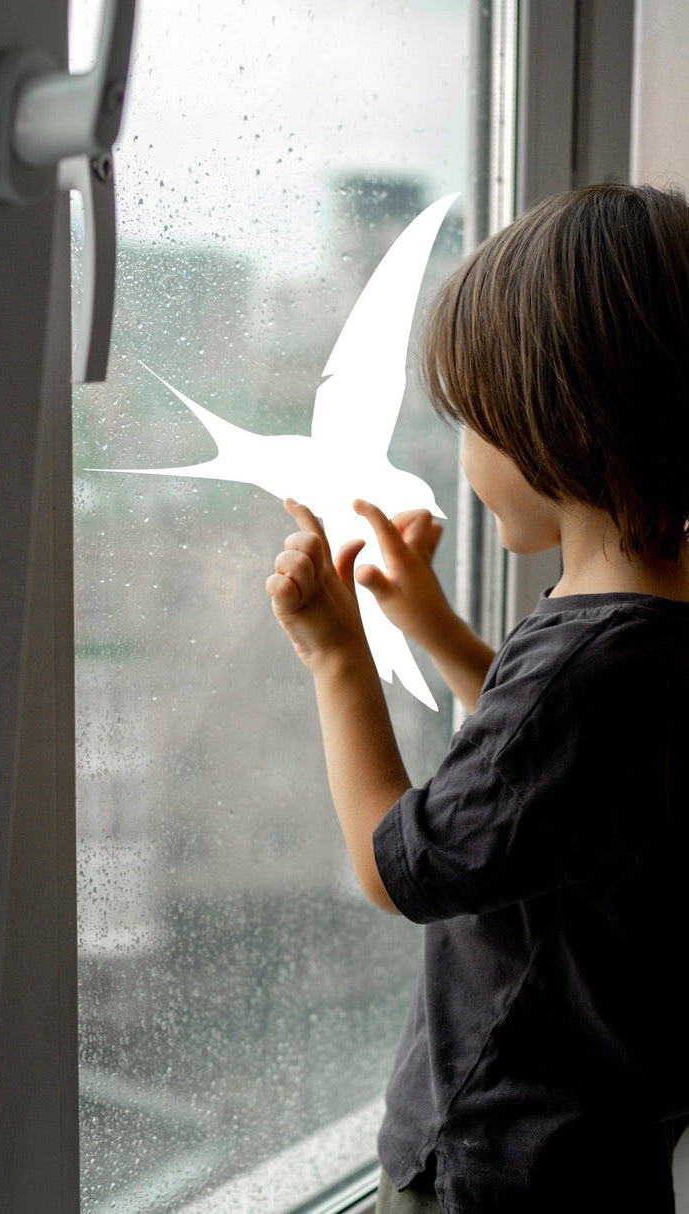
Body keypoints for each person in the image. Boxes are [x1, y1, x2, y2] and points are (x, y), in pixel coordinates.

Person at [265, 183, 689, 1213]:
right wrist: (434, 629)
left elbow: (395, 865)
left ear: (560, 425)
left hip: (495, 1162)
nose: (459, 457)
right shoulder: (644, 639)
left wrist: (338, 660)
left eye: (470, 423)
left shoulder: (577, 677)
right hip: (608, 1145)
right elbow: (558, 784)